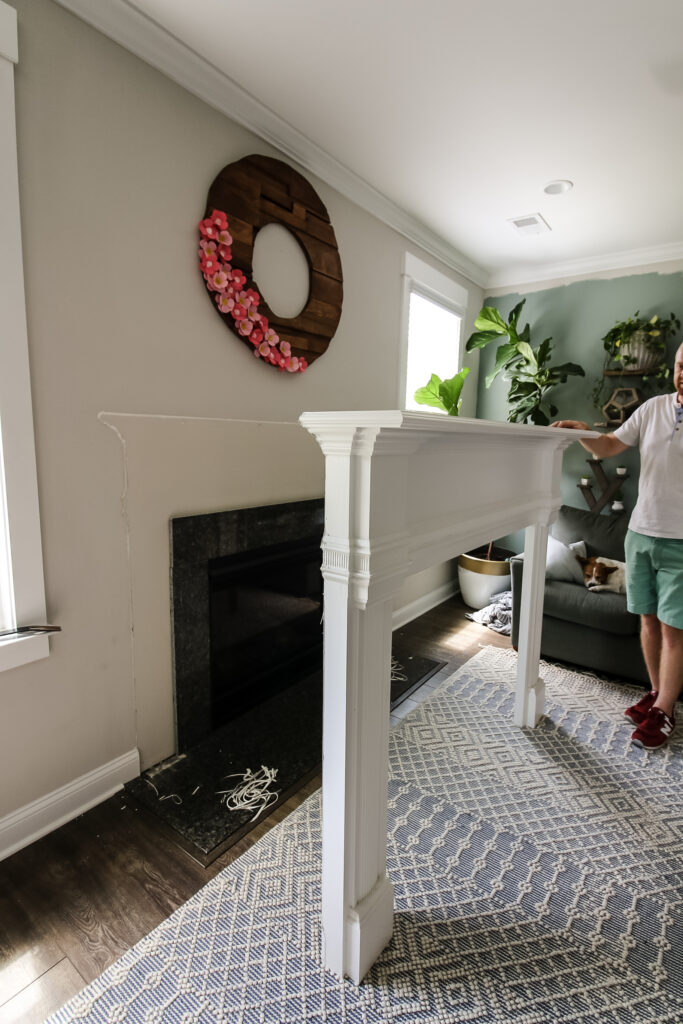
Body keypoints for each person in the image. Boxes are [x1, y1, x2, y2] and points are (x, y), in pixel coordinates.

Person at [552, 342, 683, 750]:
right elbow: (610, 445)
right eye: (681, 365)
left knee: (673, 631)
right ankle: (656, 693)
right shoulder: (653, 409)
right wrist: (583, 434)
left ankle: (665, 710)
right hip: (641, 534)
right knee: (646, 620)